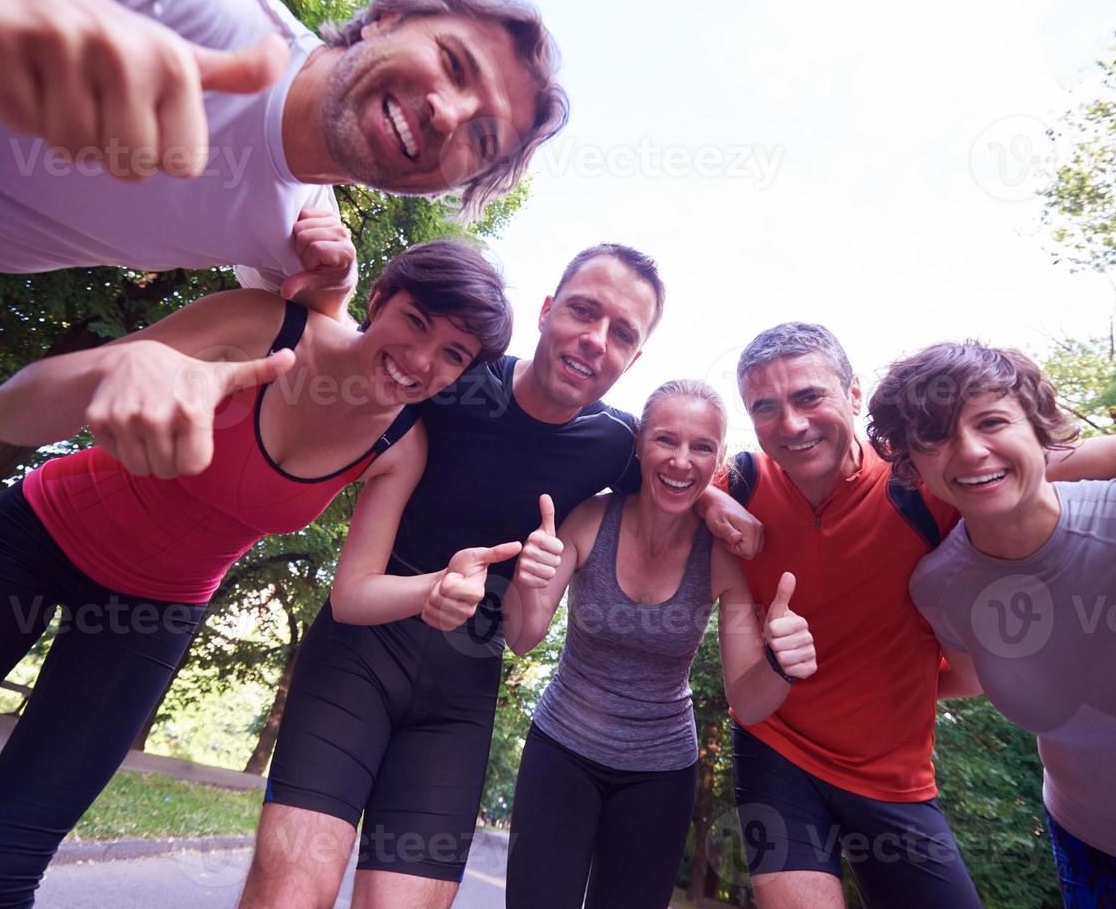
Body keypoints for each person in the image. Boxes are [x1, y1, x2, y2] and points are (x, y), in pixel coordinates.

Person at [0, 239, 520, 907]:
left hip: (150, 615)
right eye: (415, 320)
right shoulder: (267, 326)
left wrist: (431, 588)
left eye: (453, 353)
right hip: (28, 543)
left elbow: (355, 591)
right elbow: (12, 412)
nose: (420, 358)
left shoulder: (402, 445)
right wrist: (122, 373)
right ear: (383, 296)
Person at [240, 244, 762, 909]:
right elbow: (350, 357)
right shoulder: (452, 378)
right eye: (583, 310)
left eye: (623, 333)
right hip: (359, 657)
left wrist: (717, 500)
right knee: (292, 888)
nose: (595, 340)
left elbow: (677, 477)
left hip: (460, 694)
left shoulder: (613, 443)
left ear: (633, 359)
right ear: (545, 312)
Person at [723, 321, 1116, 909]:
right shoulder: (746, 486)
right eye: (765, 407)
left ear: (852, 393)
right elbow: (661, 468)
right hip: (1080, 848)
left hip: (898, 776)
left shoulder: (937, 483)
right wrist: (711, 497)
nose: (791, 422)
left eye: (810, 395)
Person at [0, 0, 568, 335]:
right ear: (386, 18)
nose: (449, 114)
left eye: (483, 139)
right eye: (453, 62)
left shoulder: (295, 231)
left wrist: (336, 289)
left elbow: (308, 326)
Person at [501, 380, 815, 909]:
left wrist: (781, 666)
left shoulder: (720, 557)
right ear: (641, 444)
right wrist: (527, 582)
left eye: (701, 447)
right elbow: (523, 636)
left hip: (660, 772)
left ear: (718, 462)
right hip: (563, 749)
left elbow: (748, 699)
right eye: (666, 440)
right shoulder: (589, 519)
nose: (681, 461)